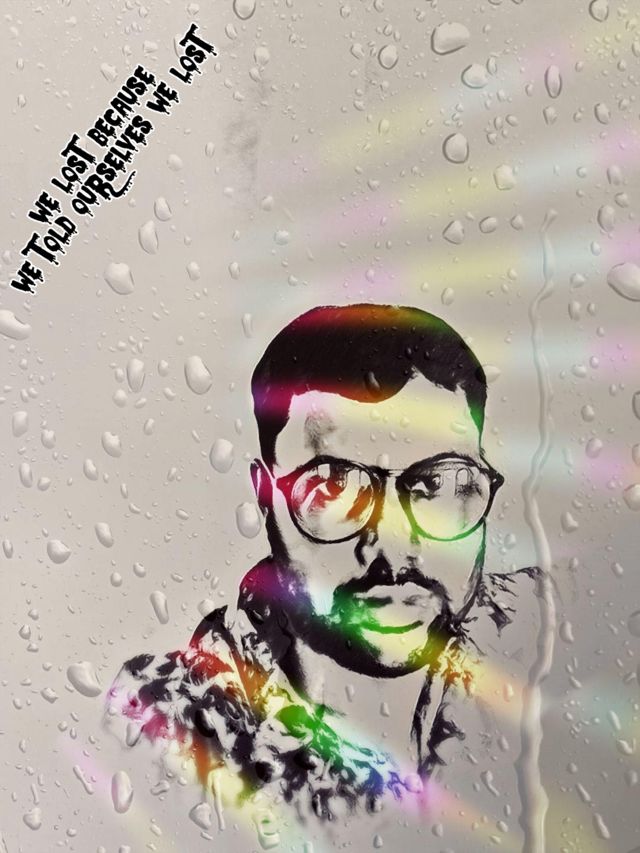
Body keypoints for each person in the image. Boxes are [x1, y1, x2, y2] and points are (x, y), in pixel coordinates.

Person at [105, 303, 538, 823]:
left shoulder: (544, 641)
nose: (393, 552)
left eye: (439, 484)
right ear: (265, 495)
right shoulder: (167, 735)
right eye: (332, 489)